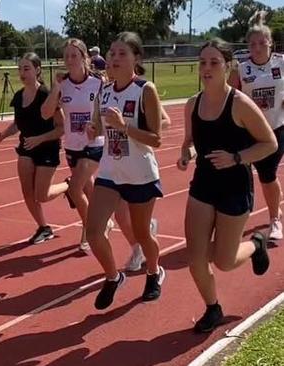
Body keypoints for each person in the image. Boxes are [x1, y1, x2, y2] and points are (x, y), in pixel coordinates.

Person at [178, 38, 275, 333]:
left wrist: (236, 157)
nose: (207, 68)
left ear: (227, 66)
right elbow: (190, 142)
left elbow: (269, 143)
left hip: (234, 187)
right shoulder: (193, 104)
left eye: (214, 62)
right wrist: (186, 154)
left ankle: (256, 244)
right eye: (203, 62)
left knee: (224, 260)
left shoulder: (240, 103)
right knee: (195, 259)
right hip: (203, 186)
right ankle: (213, 307)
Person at [85, 32, 165, 310]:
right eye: (111, 53)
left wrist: (123, 127)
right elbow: (97, 128)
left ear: (136, 58)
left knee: (142, 234)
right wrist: (93, 129)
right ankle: (113, 276)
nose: (114, 59)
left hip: (139, 172)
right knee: (93, 231)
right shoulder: (103, 91)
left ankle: (154, 272)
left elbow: (156, 138)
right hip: (110, 171)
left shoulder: (145, 90)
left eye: (122, 54)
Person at [42, 38, 112, 251]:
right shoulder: (63, 84)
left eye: (74, 55)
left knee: (74, 188)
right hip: (72, 145)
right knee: (87, 189)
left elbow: (108, 110)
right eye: (66, 56)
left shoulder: (98, 83)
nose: (70, 60)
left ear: (84, 57)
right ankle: (103, 223)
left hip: (94, 143)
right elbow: (45, 113)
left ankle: (90, 229)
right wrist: (56, 87)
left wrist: (97, 126)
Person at [0, 52, 68, 244]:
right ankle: (43, 227)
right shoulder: (19, 96)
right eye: (20, 69)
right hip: (26, 147)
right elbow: (18, 123)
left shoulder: (46, 94)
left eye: (26, 68)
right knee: (27, 192)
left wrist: (41, 138)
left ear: (37, 70)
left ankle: (68, 185)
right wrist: (4, 134)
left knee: (41, 195)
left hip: (47, 147)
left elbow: (62, 127)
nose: (22, 73)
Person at [228, 11, 284, 243]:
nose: (258, 47)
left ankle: (275, 219)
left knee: (267, 175)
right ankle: (234, 218)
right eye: (253, 44)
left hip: (276, 129)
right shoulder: (241, 69)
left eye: (262, 43)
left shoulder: (282, 64)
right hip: (248, 131)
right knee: (239, 175)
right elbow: (230, 97)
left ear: (270, 43)